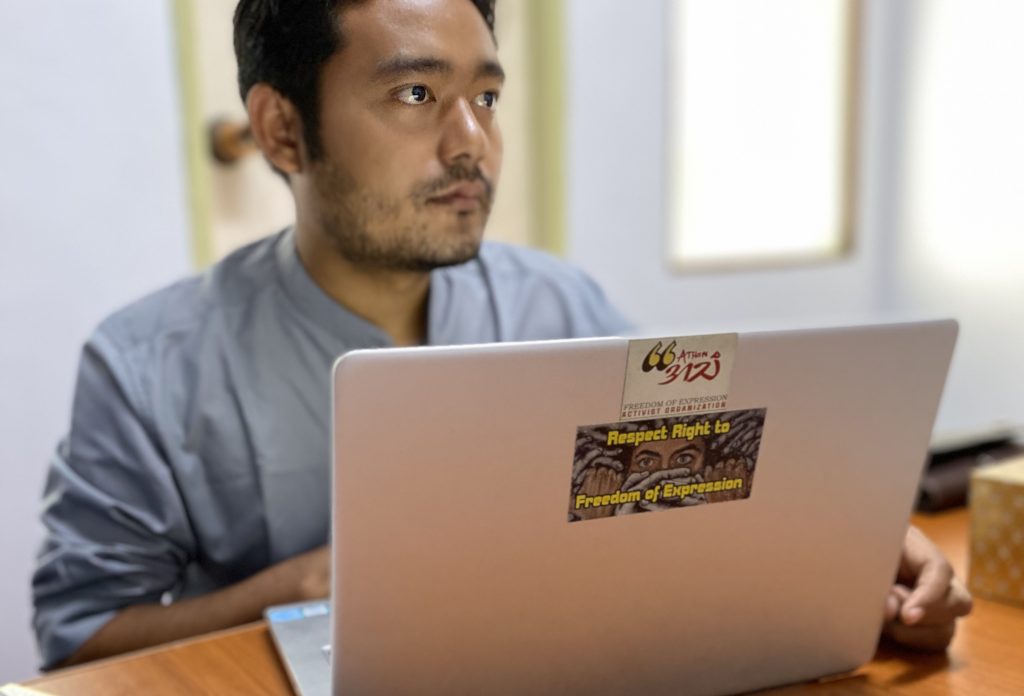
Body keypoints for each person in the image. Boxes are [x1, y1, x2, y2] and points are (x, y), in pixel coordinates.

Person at [32, 0, 971, 671]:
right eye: (413, 95)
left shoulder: (557, 306)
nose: (470, 143)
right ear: (282, 132)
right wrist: (310, 582)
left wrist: (879, 553)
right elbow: (78, 638)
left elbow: (693, 475)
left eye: (486, 96)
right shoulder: (147, 365)